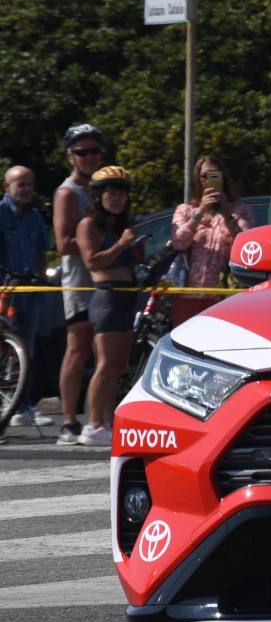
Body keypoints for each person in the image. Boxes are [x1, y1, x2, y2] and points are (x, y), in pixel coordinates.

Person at [74, 166, 144, 447]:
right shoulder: (88, 224)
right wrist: (121, 245)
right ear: (99, 196)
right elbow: (92, 261)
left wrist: (134, 251)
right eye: (111, 193)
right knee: (104, 364)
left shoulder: (121, 227)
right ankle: (92, 425)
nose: (117, 199)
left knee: (118, 365)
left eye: (121, 194)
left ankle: (107, 421)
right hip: (107, 296)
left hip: (127, 295)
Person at [52, 123, 107, 444]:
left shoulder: (102, 187)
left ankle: (97, 417)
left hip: (104, 277)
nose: (89, 157)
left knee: (104, 348)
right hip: (80, 279)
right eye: (82, 152)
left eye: (94, 151)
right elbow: (62, 243)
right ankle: (69, 420)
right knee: (78, 347)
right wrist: (98, 238)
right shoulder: (66, 192)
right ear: (70, 156)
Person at [167, 155, 254, 322]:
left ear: (223, 177)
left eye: (214, 175)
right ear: (197, 180)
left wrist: (227, 214)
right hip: (187, 296)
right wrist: (200, 212)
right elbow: (178, 243)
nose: (209, 180)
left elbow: (248, 247)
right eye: (204, 176)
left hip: (225, 296)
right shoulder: (185, 210)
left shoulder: (240, 210)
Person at [1, 166, 52, 425]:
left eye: (30, 184)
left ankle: (21, 408)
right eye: (21, 184)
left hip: (29, 292)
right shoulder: (0, 213)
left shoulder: (34, 216)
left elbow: (43, 251)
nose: (27, 189)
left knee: (25, 350)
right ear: (6, 186)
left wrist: (42, 276)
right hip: (4, 291)